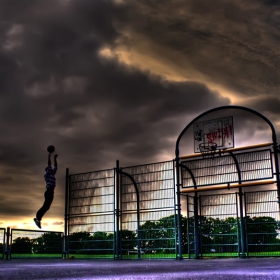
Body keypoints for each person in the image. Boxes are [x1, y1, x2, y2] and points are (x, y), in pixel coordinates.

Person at [34, 153, 58, 229]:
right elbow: (49, 165)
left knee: (47, 207)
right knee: (45, 206)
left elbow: (56, 167)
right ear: (47, 170)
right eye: (49, 169)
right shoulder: (47, 175)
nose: (51, 169)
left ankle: (38, 219)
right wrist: (49, 156)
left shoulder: (52, 174)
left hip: (51, 192)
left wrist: (55, 159)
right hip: (48, 191)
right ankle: (37, 218)